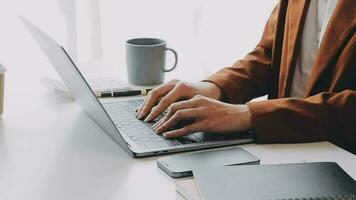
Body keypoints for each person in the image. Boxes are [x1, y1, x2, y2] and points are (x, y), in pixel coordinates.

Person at [136, 0, 356, 154]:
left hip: (343, 161)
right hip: (285, 151)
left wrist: (249, 115)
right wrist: (214, 87)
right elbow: (269, 55)